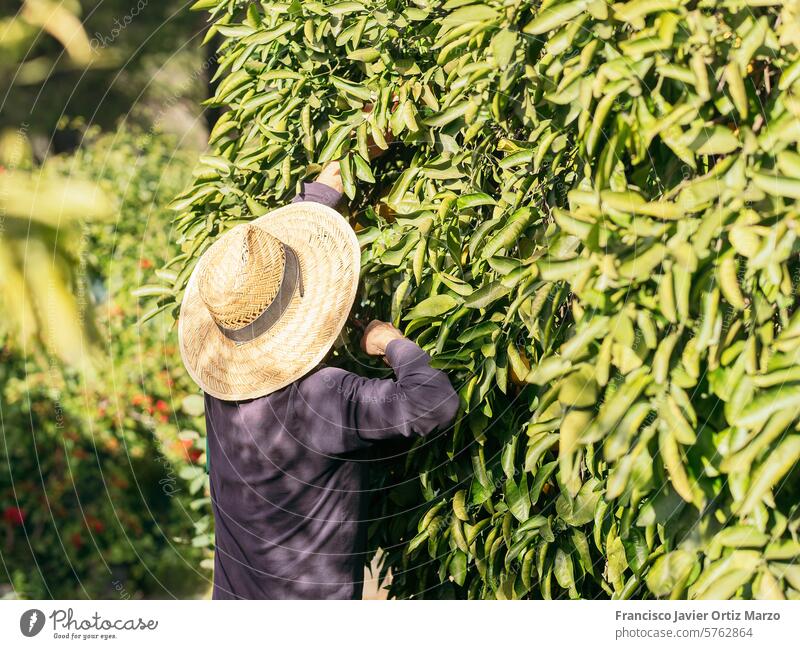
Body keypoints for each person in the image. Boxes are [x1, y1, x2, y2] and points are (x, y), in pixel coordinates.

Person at [177, 159, 460, 599]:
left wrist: (317, 200)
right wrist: (390, 342)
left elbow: (254, 289)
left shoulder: (222, 387)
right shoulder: (323, 396)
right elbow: (433, 402)